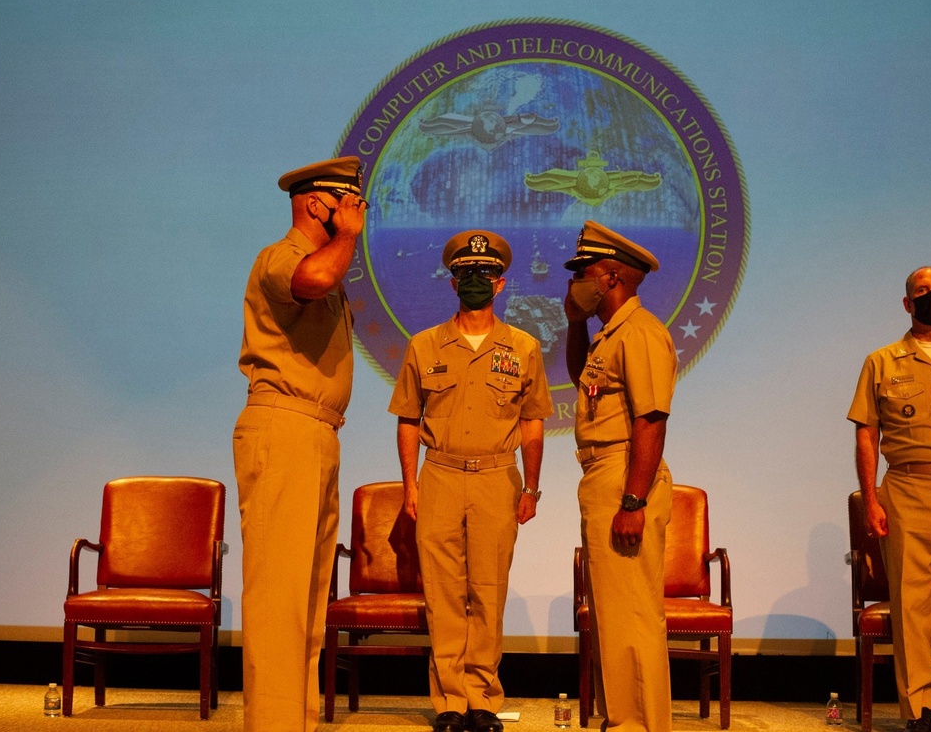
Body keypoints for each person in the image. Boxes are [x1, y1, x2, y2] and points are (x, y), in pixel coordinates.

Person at [388, 229, 554, 732]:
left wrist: (531, 487)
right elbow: (407, 420)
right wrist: (410, 486)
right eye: (465, 274)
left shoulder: (523, 347)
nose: (475, 281)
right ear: (452, 281)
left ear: (501, 283)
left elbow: (533, 422)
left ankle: (482, 696)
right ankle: (449, 703)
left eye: (484, 274)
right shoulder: (423, 345)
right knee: (443, 593)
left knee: (488, 590)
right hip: (439, 475)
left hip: (497, 479)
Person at [232, 156, 366, 732]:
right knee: (278, 600)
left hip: (316, 430)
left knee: (307, 606)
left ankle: (297, 721)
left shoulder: (323, 272)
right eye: (348, 203)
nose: (357, 213)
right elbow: (313, 279)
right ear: (317, 204)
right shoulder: (282, 257)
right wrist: (348, 240)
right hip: (284, 426)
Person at [848, 266, 931, 732]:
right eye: (921, 291)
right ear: (907, 304)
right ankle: (919, 709)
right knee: (911, 605)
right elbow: (867, 435)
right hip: (907, 487)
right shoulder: (881, 361)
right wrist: (871, 500)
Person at [563, 219, 677, 732]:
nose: (575, 282)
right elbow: (582, 381)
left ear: (611, 277)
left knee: (632, 615)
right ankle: (624, 719)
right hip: (603, 474)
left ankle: (641, 725)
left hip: (625, 473)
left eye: (583, 273)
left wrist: (633, 502)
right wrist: (572, 324)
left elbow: (650, 419)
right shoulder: (611, 335)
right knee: (615, 615)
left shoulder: (643, 333)